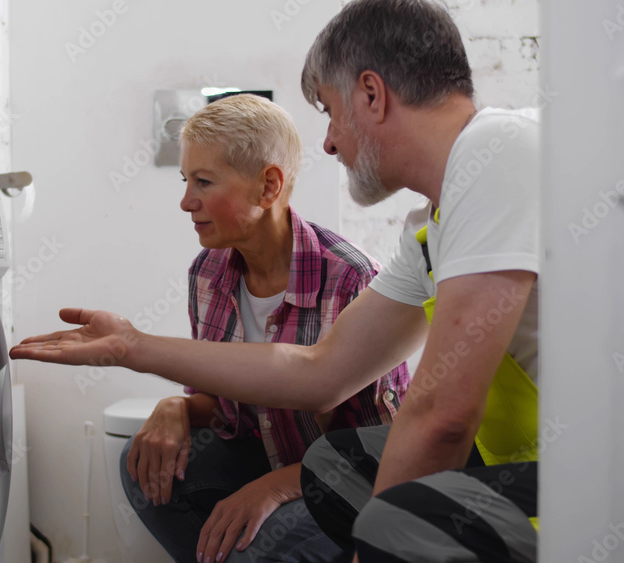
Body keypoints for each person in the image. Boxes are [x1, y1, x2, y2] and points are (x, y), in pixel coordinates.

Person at [11, 0, 541, 560]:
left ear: (371, 94)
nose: (331, 142)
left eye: (331, 112)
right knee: (327, 470)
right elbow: (320, 371)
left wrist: (375, 547)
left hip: (568, 477)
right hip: (511, 467)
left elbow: (441, 417)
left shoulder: (495, 150)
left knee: (321, 495)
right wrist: (132, 347)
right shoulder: (429, 227)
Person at [119, 93, 409, 563]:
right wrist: (178, 406)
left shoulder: (353, 280)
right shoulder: (207, 273)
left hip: (351, 485)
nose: (185, 201)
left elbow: (387, 447)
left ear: (268, 186)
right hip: (264, 456)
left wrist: (273, 489)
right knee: (142, 464)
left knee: (256, 541)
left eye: (204, 181)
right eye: (185, 180)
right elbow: (223, 409)